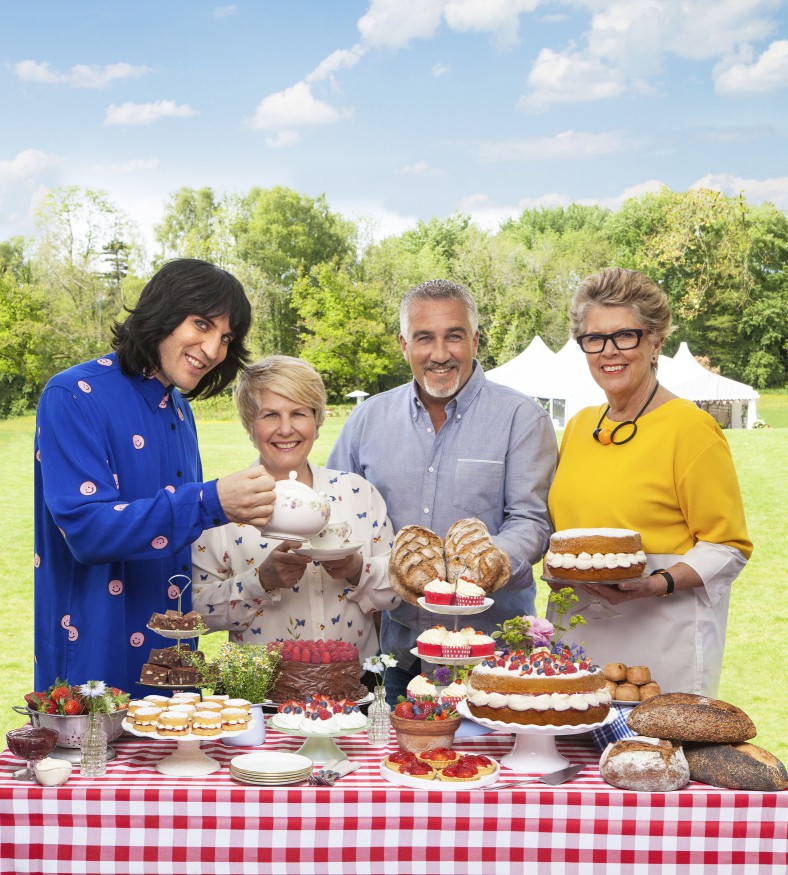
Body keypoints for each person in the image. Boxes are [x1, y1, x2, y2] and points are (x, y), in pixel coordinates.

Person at [34, 259, 277, 694]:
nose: (213, 349)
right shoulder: (72, 394)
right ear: (162, 312)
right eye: (201, 324)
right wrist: (211, 501)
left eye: (226, 338)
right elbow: (88, 531)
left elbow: (180, 540)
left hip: (173, 665)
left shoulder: (180, 411)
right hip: (94, 660)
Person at [327, 279, 557, 704]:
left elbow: (531, 522)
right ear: (403, 344)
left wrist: (482, 566)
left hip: (493, 657)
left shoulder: (522, 418)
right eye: (424, 338)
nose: (439, 354)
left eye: (453, 336)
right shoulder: (367, 420)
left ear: (474, 339)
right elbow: (336, 510)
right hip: (399, 652)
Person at [547, 267, 752, 696]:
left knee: (653, 758)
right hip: (578, 637)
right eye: (594, 339)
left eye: (625, 336)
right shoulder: (581, 425)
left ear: (655, 341)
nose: (608, 351)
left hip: (662, 640)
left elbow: (727, 546)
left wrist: (656, 582)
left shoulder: (690, 428)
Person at [192, 355, 398, 662]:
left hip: (354, 692)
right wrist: (260, 581)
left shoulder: (357, 494)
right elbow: (197, 615)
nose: (286, 429)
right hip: (261, 692)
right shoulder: (224, 506)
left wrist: (356, 570)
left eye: (299, 413)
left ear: (317, 422)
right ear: (251, 425)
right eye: (270, 415)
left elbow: (398, 588)